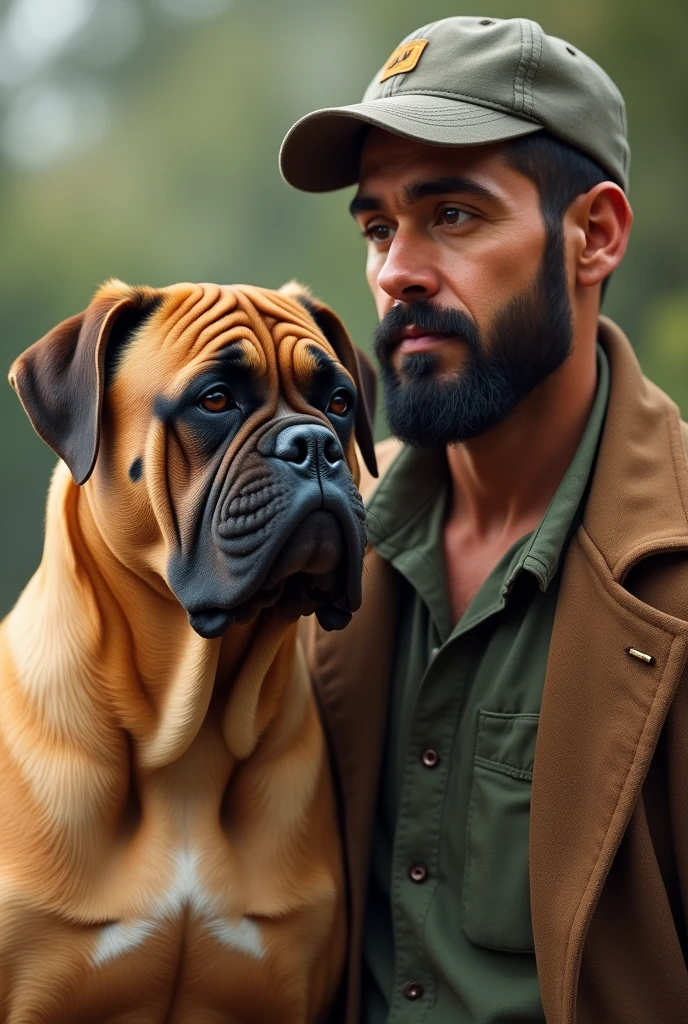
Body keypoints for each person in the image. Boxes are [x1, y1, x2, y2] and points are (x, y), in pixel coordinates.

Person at [279, 16, 688, 1024]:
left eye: (451, 215)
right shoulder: (319, 552)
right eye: (377, 227)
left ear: (593, 235)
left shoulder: (672, 569)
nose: (394, 272)